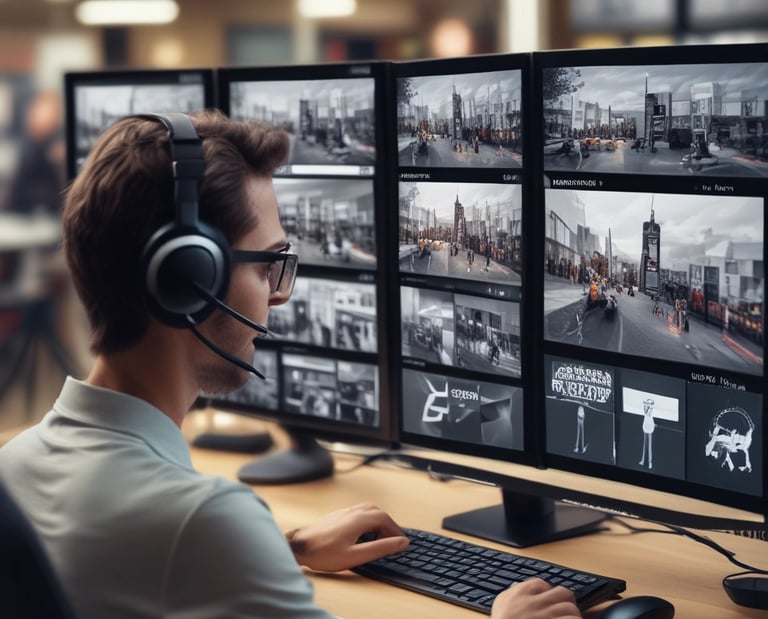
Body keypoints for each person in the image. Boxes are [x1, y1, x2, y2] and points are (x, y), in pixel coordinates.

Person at [0, 110, 581, 619]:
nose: (279, 296)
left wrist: (280, 549)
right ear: (187, 278)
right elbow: (184, 539)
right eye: (269, 265)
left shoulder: (15, 466)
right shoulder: (203, 520)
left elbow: (121, 564)